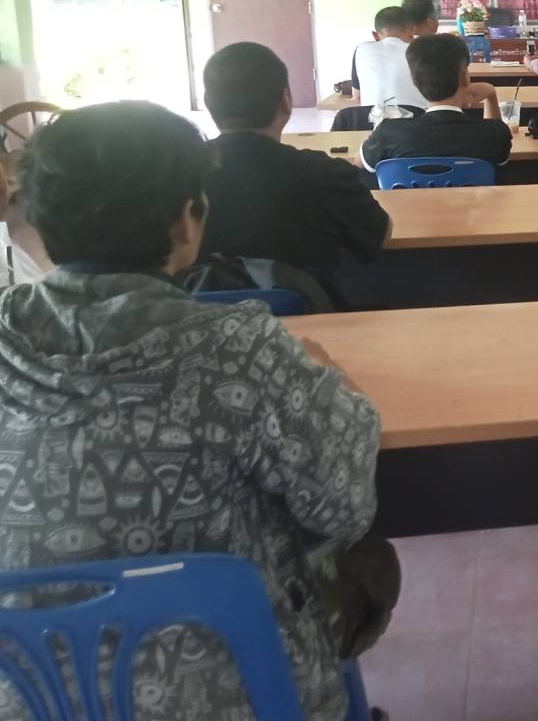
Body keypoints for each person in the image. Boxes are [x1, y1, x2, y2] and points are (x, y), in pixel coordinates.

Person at [4, 101, 397, 721]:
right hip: (237, 689)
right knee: (365, 561)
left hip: (29, 693)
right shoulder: (237, 349)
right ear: (188, 220)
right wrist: (330, 382)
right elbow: (345, 504)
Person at [201, 43, 390, 296]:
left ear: (208, 104)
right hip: (310, 313)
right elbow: (379, 236)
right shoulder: (324, 173)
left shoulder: (176, 176)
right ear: (285, 101)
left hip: (198, 317)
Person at [361, 33, 511, 171]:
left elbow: (360, 163)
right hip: (476, 193)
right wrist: (491, 96)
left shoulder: (388, 132)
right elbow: (500, 156)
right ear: (464, 76)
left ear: (414, 80)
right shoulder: (494, 133)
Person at [354, 4, 427, 111]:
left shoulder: (361, 49)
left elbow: (356, 97)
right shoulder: (423, 51)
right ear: (412, 30)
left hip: (372, 118)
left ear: (375, 35)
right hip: (417, 117)